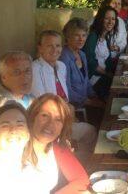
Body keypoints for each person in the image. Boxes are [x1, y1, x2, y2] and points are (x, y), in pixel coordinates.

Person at [31, 30, 97, 163]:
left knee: (90, 132)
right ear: (40, 48)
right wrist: (67, 112)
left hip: (66, 116)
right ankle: (70, 162)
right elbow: (43, 103)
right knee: (89, 131)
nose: (55, 49)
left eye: (58, 45)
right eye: (49, 45)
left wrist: (69, 111)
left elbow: (65, 96)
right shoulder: (35, 68)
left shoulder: (61, 66)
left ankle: (75, 162)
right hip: (50, 122)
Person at [27, 93, 90, 193]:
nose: (50, 124)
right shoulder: (17, 149)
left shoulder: (56, 146)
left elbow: (82, 180)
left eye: (58, 119)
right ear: (32, 117)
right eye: (45, 115)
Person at [60, 18, 105, 127]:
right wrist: (89, 101)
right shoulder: (63, 58)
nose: (81, 39)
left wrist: (94, 97)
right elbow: (67, 91)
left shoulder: (82, 54)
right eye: (77, 35)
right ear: (68, 37)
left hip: (86, 102)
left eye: (84, 35)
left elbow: (86, 82)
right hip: (75, 108)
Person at [0, 103, 32, 193]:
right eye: (5, 126)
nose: (13, 130)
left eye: (20, 125)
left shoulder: (33, 170)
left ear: (28, 135)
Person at [83, 6, 118, 98]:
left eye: (113, 19)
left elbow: (108, 60)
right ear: (100, 19)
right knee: (118, 92)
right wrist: (108, 74)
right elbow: (90, 62)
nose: (110, 22)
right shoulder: (93, 36)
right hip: (94, 79)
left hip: (103, 76)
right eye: (107, 18)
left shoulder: (106, 36)